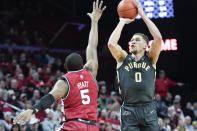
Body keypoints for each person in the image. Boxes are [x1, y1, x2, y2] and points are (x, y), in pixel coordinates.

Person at [13, 1, 106, 131]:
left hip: (73, 126)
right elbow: (92, 46)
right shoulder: (91, 71)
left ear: (66, 68)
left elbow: (50, 97)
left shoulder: (65, 81)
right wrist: (95, 22)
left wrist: (32, 110)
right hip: (92, 126)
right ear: (84, 64)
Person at [107, 0, 162, 130]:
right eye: (131, 40)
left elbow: (158, 38)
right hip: (129, 109)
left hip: (148, 108)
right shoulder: (123, 58)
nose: (132, 42)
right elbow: (111, 44)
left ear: (145, 45)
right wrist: (121, 22)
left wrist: (142, 14)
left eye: (137, 40)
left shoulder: (151, 59)